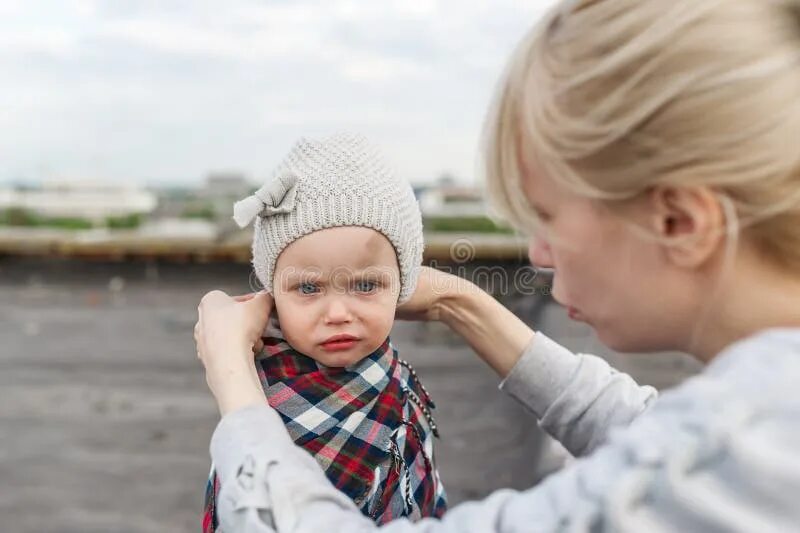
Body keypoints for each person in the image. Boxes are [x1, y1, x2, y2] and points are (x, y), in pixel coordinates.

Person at [193, 0, 800, 530]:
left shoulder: (744, 455)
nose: (537, 253)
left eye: (547, 214)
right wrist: (463, 301)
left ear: (678, 222)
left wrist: (235, 385)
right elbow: (643, 428)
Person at [200, 133, 446, 533]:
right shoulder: (262, 394)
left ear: (401, 285)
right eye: (308, 288)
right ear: (271, 293)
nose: (337, 313)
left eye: (366, 286)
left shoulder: (389, 376)